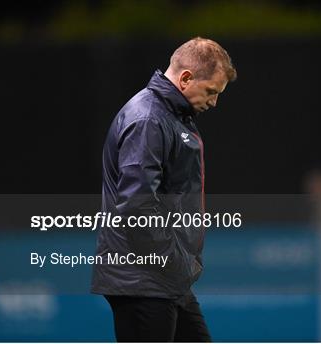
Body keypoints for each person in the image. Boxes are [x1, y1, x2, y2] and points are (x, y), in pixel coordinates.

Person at [91, 37, 237, 342]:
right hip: (143, 278)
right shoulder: (147, 118)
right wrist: (176, 262)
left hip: (161, 278)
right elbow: (137, 207)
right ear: (185, 78)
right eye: (211, 91)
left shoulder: (170, 115)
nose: (214, 102)